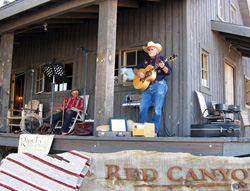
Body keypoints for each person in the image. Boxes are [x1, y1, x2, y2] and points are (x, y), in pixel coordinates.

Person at [133, 41, 172, 136]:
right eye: (149, 49)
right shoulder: (145, 61)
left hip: (158, 85)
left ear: (156, 50)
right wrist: (139, 73)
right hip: (147, 86)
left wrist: (163, 67)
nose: (150, 50)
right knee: (142, 107)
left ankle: (153, 132)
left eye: (152, 49)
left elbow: (168, 72)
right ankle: (143, 129)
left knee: (157, 109)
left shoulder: (161, 59)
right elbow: (134, 69)